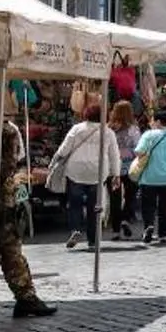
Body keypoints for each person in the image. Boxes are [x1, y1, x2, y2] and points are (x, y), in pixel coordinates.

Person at [0, 116, 56, 319]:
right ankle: (26, 297)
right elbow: (11, 164)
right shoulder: (7, 130)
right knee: (10, 248)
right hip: (1, 196)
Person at [48, 97, 122, 252]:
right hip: (97, 171)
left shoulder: (77, 129)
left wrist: (55, 161)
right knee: (95, 206)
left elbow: (64, 149)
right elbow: (114, 154)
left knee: (74, 203)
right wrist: (116, 174)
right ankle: (93, 240)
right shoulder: (108, 132)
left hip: (76, 169)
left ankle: (75, 229)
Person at [131, 108, 166, 245]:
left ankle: (149, 226)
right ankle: (163, 233)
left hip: (150, 177)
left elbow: (139, 152)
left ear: (158, 121)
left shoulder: (148, 135)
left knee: (148, 205)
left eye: (152, 120)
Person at [105, 100, 141, 237]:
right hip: (130, 166)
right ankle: (125, 217)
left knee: (114, 197)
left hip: (112, 167)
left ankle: (115, 230)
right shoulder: (133, 129)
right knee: (131, 194)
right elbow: (138, 147)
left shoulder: (108, 128)